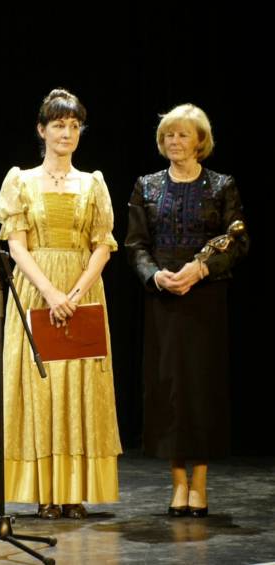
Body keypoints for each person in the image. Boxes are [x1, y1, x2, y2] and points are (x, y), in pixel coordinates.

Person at [0, 88, 122, 519]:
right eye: (59, 125)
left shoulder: (93, 183)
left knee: (79, 387)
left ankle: (73, 492)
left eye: (74, 126)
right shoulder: (21, 181)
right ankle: (45, 492)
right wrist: (50, 293)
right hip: (36, 290)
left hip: (82, 291)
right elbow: (16, 246)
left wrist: (75, 295)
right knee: (41, 388)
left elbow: (102, 245)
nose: (67, 133)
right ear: (41, 130)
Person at [125, 103, 249, 517]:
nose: (174, 141)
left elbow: (238, 241)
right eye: (168, 135)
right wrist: (156, 276)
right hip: (164, 297)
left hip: (206, 297)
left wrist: (201, 269)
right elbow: (135, 245)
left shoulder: (221, 186)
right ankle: (178, 483)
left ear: (200, 142)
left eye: (183, 135)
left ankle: (201, 482)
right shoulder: (146, 186)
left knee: (202, 387)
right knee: (170, 390)